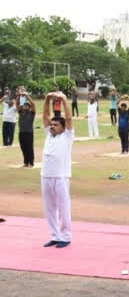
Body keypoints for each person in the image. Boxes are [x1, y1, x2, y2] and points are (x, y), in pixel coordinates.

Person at [41, 91, 74, 248]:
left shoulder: (67, 136)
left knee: (63, 207)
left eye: (56, 125)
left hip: (61, 176)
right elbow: (45, 115)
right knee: (49, 208)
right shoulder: (49, 135)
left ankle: (65, 236)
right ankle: (54, 235)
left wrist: (64, 100)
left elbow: (68, 118)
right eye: (52, 125)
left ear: (63, 127)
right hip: (45, 175)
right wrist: (47, 99)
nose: (52, 126)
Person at [17, 92, 36, 167]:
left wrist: (27, 95)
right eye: (25, 105)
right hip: (21, 133)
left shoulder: (32, 113)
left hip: (29, 133)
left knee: (29, 148)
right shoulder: (21, 112)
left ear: (29, 107)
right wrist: (18, 96)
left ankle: (31, 162)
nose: (25, 106)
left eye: (27, 105)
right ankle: (26, 162)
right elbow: (17, 103)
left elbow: (33, 104)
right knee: (23, 148)